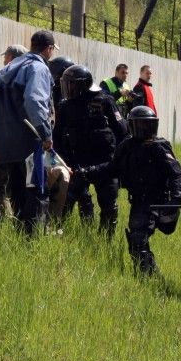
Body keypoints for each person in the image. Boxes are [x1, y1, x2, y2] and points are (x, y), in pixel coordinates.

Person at [79, 106, 181, 275]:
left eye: (147, 125)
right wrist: (87, 172)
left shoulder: (159, 146)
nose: (144, 130)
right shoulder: (126, 146)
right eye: (140, 125)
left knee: (143, 236)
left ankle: (148, 273)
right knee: (137, 239)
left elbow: (176, 174)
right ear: (133, 126)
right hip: (139, 201)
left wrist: (176, 199)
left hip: (159, 201)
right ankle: (148, 274)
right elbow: (111, 168)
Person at [0, 30, 57, 234]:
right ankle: (31, 240)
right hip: (31, 142)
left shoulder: (1, 72)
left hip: (6, 145)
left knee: (17, 190)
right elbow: (34, 101)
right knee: (37, 190)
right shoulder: (38, 68)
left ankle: (20, 233)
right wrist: (45, 134)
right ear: (48, 49)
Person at [54, 65, 127, 235]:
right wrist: (66, 163)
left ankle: (105, 241)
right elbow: (57, 136)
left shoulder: (105, 100)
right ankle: (59, 235)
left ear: (83, 84)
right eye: (67, 84)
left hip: (105, 162)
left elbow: (122, 131)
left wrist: (117, 162)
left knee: (108, 205)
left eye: (72, 84)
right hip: (76, 162)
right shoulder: (66, 106)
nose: (69, 88)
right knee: (67, 201)